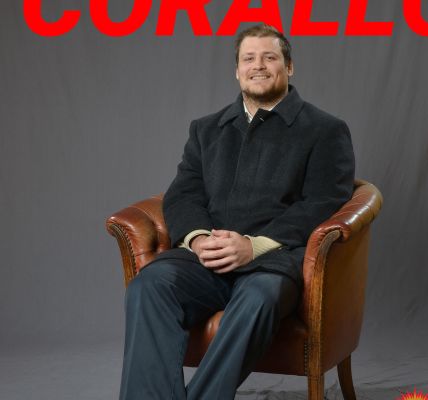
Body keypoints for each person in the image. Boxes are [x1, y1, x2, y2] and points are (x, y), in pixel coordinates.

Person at [119, 24, 355, 400]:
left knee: (259, 297)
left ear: (289, 67)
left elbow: (323, 203)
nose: (257, 65)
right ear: (237, 70)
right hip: (206, 260)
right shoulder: (206, 130)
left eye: (269, 57)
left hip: (273, 263)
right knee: (149, 285)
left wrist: (253, 245)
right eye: (249, 58)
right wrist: (198, 240)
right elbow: (183, 194)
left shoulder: (325, 130)